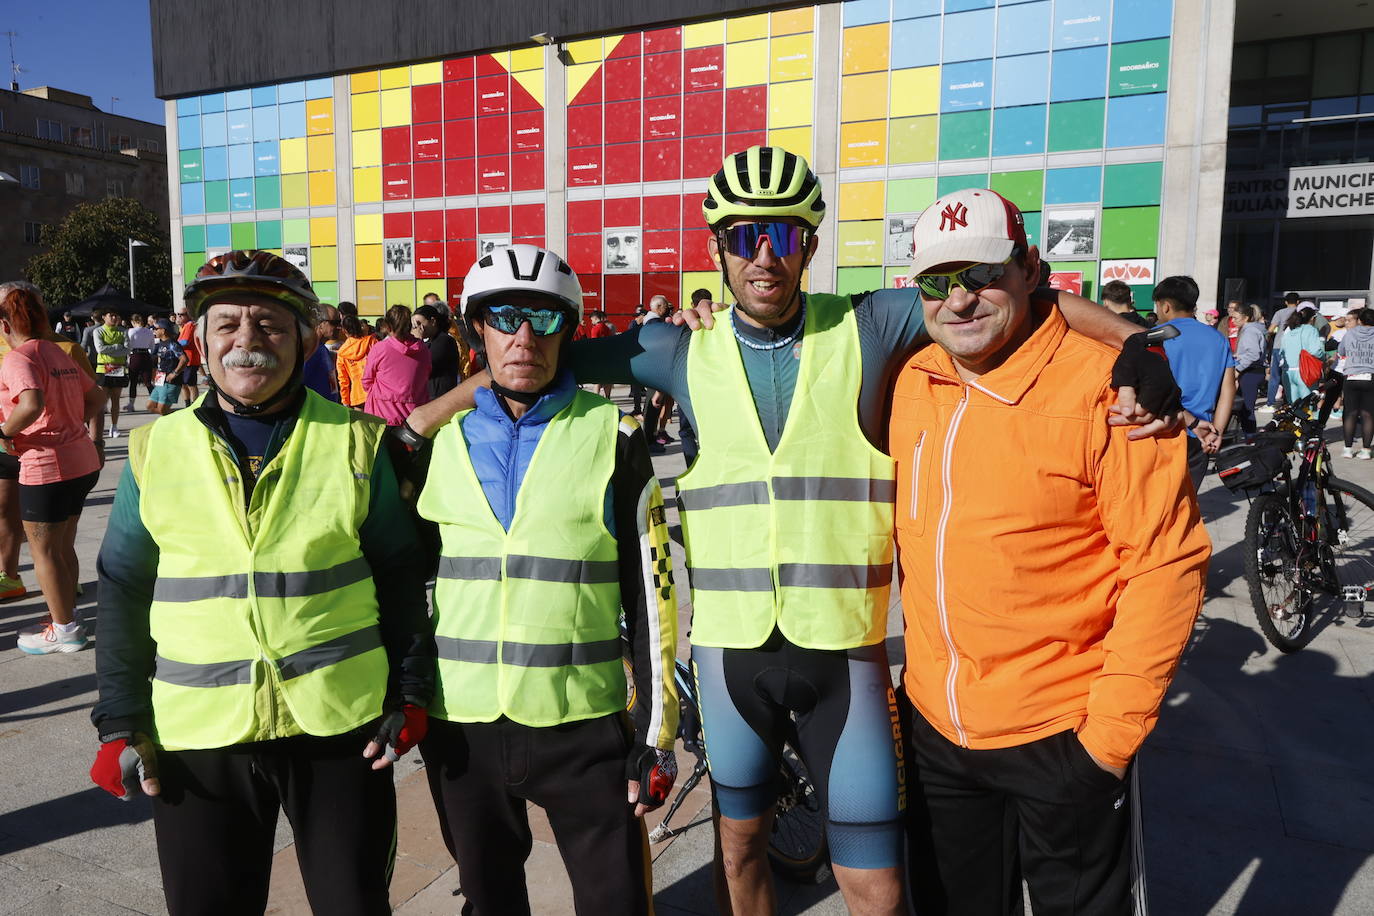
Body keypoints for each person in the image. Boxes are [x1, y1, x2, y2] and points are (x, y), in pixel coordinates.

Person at [406, 149, 1179, 916]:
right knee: (739, 851)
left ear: (809, 244)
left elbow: (1023, 299)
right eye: (745, 238)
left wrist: (1132, 340)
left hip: (843, 657)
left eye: (782, 236)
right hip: (730, 656)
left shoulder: (868, 324)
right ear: (720, 249)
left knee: (875, 885)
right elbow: (532, 357)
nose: (764, 257)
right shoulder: (678, 350)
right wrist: (430, 416)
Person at [892, 188, 1210, 916]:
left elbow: (1165, 565)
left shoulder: (1112, 393)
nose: (959, 299)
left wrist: (1108, 742)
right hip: (936, 730)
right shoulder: (912, 379)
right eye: (938, 282)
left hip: (1063, 732)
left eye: (983, 274)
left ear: (1030, 269)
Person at [89, 249, 435, 915]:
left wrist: (409, 689)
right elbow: (124, 586)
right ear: (200, 341)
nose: (246, 340)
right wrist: (120, 717)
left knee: (354, 904)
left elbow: (400, 574)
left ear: (304, 341)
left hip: (341, 727)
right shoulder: (155, 449)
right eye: (227, 324)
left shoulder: (358, 441)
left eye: (270, 325)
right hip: (199, 733)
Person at [411, 245, 679, 915]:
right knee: (489, 900)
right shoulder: (444, 445)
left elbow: (652, 591)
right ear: (476, 330)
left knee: (616, 902)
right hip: (462, 724)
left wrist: (656, 732)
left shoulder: (613, 434)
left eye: (545, 319)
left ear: (569, 331)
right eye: (504, 318)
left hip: (581, 724)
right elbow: (402, 586)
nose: (524, 337)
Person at [0, 285, 105, 655]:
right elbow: (97, 397)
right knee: (61, 547)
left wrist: (4, 432)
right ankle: (65, 616)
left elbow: (30, 403)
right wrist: (69, 425)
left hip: (46, 465)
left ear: (5, 324)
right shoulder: (56, 351)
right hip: (80, 460)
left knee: (43, 552)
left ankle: (65, 631)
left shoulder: (19, 358)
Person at [1153, 275, 1236, 490]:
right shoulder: (1218, 338)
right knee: (1187, 503)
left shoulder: (1155, 337)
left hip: (1162, 431)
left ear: (1165, 306)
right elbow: (1228, 389)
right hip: (1201, 437)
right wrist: (1217, 432)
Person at [363, 304, 431, 425]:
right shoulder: (423, 350)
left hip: (382, 414)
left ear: (387, 326)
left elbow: (367, 381)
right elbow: (426, 375)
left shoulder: (380, 348)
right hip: (414, 416)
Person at [1338, 308, 1374, 459]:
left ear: (1360, 320)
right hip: (1371, 376)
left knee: (1350, 413)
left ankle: (1347, 449)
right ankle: (1366, 450)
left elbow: (1341, 351)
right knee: (1368, 414)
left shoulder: (1350, 333)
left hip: (1351, 376)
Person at [93, 310, 130, 437]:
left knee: (116, 399)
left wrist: (112, 349)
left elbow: (127, 350)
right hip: (103, 368)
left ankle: (114, 427)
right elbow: (100, 349)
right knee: (100, 401)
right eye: (111, 315)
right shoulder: (98, 331)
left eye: (116, 315)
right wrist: (117, 346)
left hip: (118, 368)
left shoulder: (123, 331)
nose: (114, 318)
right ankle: (98, 428)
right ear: (104, 317)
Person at [1233, 303, 1268, 436]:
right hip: (1252, 370)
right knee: (1244, 407)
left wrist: (1238, 368)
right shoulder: (1251, 330)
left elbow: (1253, 354)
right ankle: (1248, 435)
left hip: (1251, 371)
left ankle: (1250, 437)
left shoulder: (1250, 331)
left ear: (1246, 318)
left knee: (1247, 407)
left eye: (1236, 318)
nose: (1233, 321)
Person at [1280, 304, 1325, 404]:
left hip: (1287, 371)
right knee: (1306, 404)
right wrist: (1323, 353)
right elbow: (1316, 351)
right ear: (1312, 318)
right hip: (1305, 372)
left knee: (1293, 405)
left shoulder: (1289, 331)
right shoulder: (1311, 330)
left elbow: (1282, 351)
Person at [412, 304, 460, 400]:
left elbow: (424, 365)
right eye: (414, 325)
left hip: (441, 397)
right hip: (429, 396)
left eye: (419, 323)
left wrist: (417, 341)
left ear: (433, 321)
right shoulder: (429, 342)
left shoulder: (445, 341)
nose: (417, 328)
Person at [336, 302, 377, 409]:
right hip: (375, 392)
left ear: (344, 330)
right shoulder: (372, 342)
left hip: (357, 396)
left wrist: (345, 401)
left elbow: (343, 380)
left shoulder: (342, 353)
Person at [1266, 291, 1302, 408]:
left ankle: (1270, 402)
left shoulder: (1279, 312)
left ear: (1286, 302)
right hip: (1293, 348)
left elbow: (1270, 330)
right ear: (1298, 302)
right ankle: (1289, 401)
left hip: (1278, 346)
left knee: (1274, 376)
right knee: (1290, 375)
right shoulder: (1300, 313)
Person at [302, 303, 342, 402]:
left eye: (340, 322)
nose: (339, 327)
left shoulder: (322, 349)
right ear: (320, 323)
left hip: (329, 408)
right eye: (335, 322)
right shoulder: (308, 350)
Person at [146, 319, 187, 416]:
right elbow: (160, 360)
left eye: (156, 329)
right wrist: (155, 375)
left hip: (171, 382)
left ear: (163, 330)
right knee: (150, 406)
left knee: (162, 410)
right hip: (161, 380)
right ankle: (178, 417)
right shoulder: (161, 343)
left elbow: (184, 359)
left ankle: (183, 417)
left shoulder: (172, 344)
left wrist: (174, 373)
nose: (154, 331)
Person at [126, 312, 155, 411]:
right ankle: (155, 402)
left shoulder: (131, 331)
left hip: (135, 355)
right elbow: (152, 346)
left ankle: (131, 405)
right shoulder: (149, 331)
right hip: (146, 355)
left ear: (133, 322)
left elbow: (128, 345)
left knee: (133, 382)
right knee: (148, 382)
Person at [175, 307, 203, 407]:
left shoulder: (190, 325)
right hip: (184, 360)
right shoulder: (184, 326)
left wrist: (173, 344)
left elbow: (185, 342)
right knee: (183, 384)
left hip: (190, 360)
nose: (179, 316)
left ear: (189, 315)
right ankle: (187, 405)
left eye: (181, 314)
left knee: (191, 384)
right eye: (178, 314)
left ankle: (194, 405)